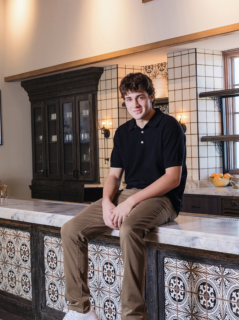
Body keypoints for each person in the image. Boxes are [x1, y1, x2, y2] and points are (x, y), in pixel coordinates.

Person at [61, 73, 186, 320]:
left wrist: (129, 202)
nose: (135, 105)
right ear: (125, 101)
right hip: (127, 193)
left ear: (152, 97)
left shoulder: (169, 126)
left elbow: (173, 178)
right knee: (70, 230)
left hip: (163, 198)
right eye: (129, 99)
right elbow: (114, 177)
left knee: (128, 229)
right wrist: (108, 202)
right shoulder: (122, 132)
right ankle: (80, 310)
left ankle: (132, 316)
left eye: (140, 97)